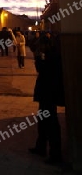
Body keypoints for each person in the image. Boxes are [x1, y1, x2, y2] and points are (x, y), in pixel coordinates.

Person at [29, 34, 64, 164]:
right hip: (47, 94)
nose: (40, 49)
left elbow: (42, 70)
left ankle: (55, 154)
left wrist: (37, 57)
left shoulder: (53, 57)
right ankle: (40, 147)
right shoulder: (53, 55)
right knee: (43, 122)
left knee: (51, 124)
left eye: (40, 46)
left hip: (49, 94)